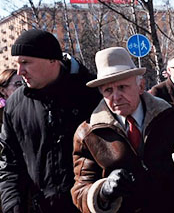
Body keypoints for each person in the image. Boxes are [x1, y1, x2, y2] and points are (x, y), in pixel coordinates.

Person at [70, 47, 174, 213]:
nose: (116, 97)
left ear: (141, 86)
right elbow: (80, 189)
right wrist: (102, 191)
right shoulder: (88, 133)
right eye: (108, 90)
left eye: (122, 87)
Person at [0, 29, 101, 213]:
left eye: (26, 63)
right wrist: (12, 205)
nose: (20, 71)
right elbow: (9, 163)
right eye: (18, 64)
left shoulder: (90, 94)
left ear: (52, 60)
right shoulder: (15, 104)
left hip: (87, 206)